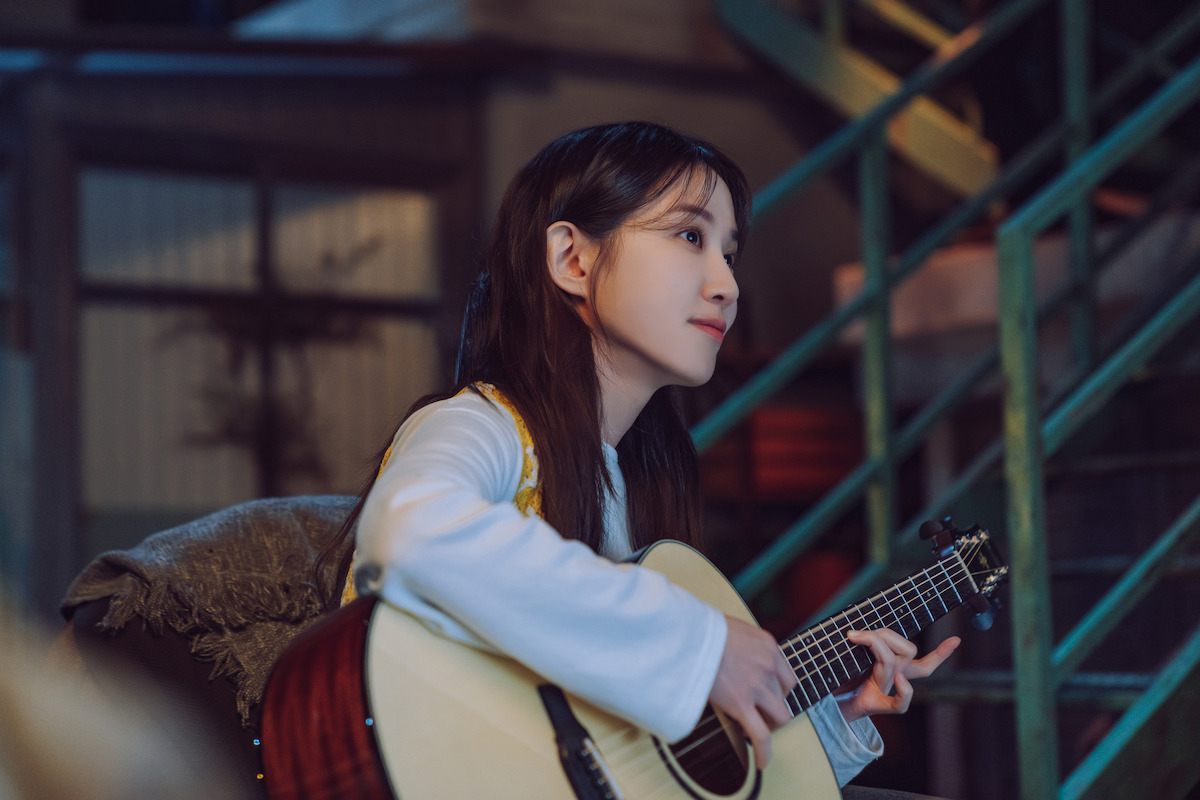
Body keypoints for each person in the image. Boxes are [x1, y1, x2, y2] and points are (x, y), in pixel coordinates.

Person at [327, 120, 960, 789]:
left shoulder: (630, 482)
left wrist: (830, 718)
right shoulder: (482, 425)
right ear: (573, 259)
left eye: (730, 253)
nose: (727, 285)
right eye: (691, 236)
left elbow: (627, 764)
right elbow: (410, 528)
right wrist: (701, 645)